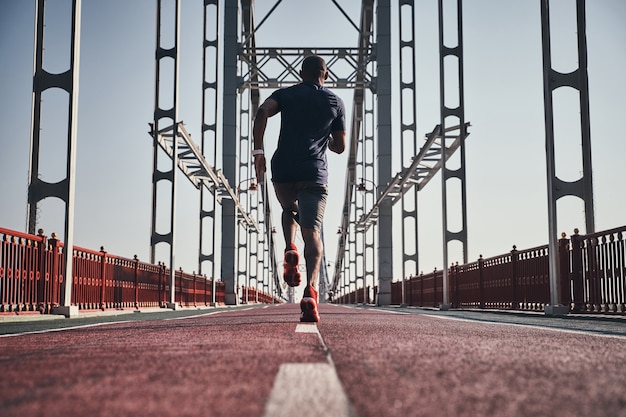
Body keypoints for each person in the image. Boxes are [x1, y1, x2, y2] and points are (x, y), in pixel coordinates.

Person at [252, 55, 346, 322]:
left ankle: (290, 246)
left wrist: (258, 150)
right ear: (325, 75)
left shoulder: (286, 94)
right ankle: (310, 291)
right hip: (314, 173)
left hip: (283, 170)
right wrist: (325, 137)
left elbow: (261, 112)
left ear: (301, 72)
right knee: (313, 233)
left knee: (288, 208)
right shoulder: (335, 103)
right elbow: (339, 147)